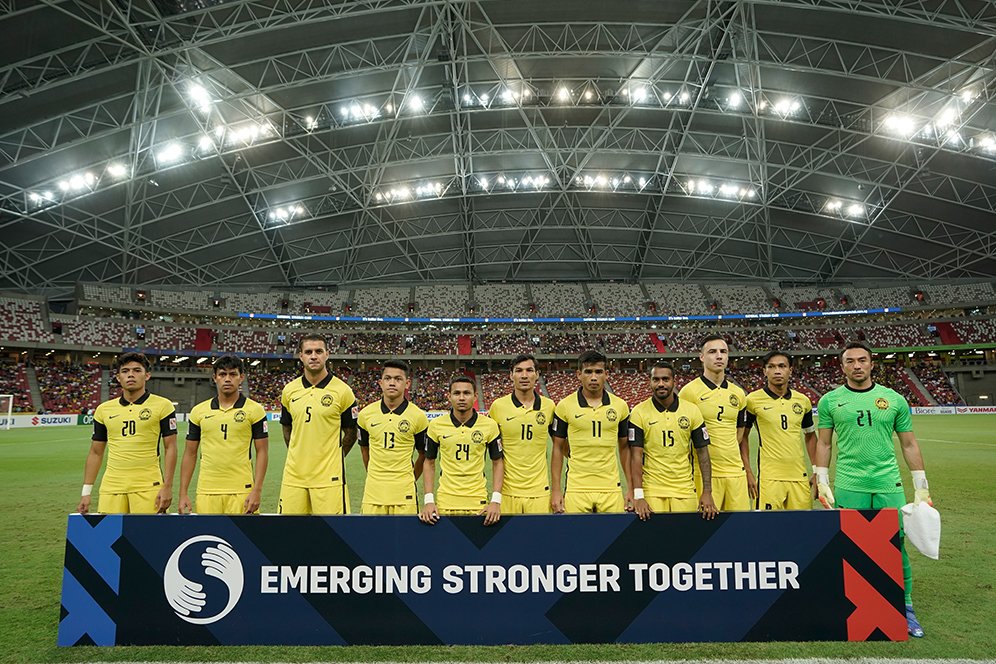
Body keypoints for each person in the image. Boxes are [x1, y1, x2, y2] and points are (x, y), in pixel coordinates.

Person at [814, 341, 933, 638]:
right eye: (850, 361)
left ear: (871, 364)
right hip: (849, 483)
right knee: (848, 545)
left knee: (895, 545)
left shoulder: (893, 400)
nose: (857, 366)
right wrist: (822, 481)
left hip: (887, 482)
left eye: (862, 360)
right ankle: (850, 603)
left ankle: (904, 606)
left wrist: (921, 486)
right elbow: (824, 444)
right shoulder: (830, 401)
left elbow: (909, 444)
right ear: (842, 366)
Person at [77, 352, 177, 514]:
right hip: (112, 486)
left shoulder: (163, 406)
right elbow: (96, 452)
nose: (131, 375)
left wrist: (167, 487)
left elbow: (170, 447)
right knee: (110, 537)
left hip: (148, 485)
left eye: (137, 370)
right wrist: (86, 493)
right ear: (118, 377)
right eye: (125, 371)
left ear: (147, 375)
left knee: (147, 537)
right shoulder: (104, 410)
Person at [178, 355, 269, 514]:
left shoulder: (255, 410)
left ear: (241, 377)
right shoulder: (199, 411)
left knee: (243, 538)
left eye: (233, 374)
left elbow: (262, 452)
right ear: (215, 378)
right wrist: (183, 493)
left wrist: (257, 490)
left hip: (242, 490)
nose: (227, 379)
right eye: (222, 374)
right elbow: (190, 453)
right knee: (209, 537)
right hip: (207, 490)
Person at [278, 334, 358, 514]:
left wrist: (335, 458)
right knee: (290, 532)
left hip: (329, 478)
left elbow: (351, 432)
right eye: (308, 352)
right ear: (301, 356)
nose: (313, 356)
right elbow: (286, 427)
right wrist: (297, 454)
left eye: (318, 351)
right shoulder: (289, 390)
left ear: (327, 354)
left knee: (333, 534)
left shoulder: (343, 391)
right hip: (294, 476)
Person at [629, 361, 717, 520]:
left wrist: (707, 492)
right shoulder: (639, 412)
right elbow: (635, 456)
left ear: (674, 381)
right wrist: (639, 495)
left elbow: (703, 453)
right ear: (650, 382)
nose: (660, 384)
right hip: (652, 491)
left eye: (665, 379)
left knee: (685, 542)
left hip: (685, 490)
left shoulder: (691, 410)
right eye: (656, 379)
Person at [550, 350, 632, 514]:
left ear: (606, 374)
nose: (593, 377)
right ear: (579, 374)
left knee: (614, 537)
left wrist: (631, 487)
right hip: (576, 488)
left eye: (598, 372)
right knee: (576, 537)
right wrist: (556, 490)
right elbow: (557, 448)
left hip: (611, 487)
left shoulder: (620, 406)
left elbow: (624, 448)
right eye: (588, 372)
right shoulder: (565, 406)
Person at [678, 335, 751, 511]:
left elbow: (739, 433)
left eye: (723, 352)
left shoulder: (738, 394)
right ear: (702, 357)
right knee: (705, 530)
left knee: (739, 529)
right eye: (712, 352)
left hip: (735, 474)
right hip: (704, 476)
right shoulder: (688, 392)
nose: (719, 356)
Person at [419, 376, 503, 525]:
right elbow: (429, 462)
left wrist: (495, 500)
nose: (462, 398)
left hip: (478, 501)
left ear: (475, 396)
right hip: (446, 501)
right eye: (457, 393)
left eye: (467, 393)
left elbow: (497, 462)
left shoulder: (489, 425)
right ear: (449, 396)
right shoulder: (436, 425)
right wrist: (429, 500)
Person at [741, 351, 816, 510]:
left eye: (782, 366)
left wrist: (817, 471)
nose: (777, 371)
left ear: (790, 370)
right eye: (771, 366)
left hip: (799, 477)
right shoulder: (752, 401)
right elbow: (743, 437)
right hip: (769, 478)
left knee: (802, 528)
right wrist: (747, 471)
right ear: (764, 371)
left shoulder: (803, 401)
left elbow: (810, 436)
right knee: (767, 529)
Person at [357, 360, 429, 515]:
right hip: (373, 491)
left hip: (404, 492)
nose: (392, 383)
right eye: (388, 378)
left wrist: (410, 479)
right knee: (371, 538)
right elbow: (364, 449)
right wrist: (375, 475)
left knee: (404, 538)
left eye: (398, 379)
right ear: (380, 383)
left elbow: (423, 455)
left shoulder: (418, 416)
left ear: (407, 383)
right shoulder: (365, 415)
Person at [487, 354, 555, 514]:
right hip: (507, 492)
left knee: (539, 538)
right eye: (519, 371)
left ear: (537, 374)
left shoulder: (549, 406)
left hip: (540, 492)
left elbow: (560, 447)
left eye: (529, 370)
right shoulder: (498, 407)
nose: (524, 375)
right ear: (511, 375)